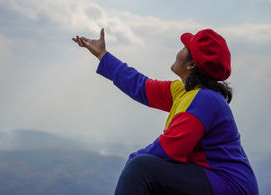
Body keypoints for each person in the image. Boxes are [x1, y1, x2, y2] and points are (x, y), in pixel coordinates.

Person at [72, 28, 259, 195]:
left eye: (185, 48)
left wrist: (132, 163)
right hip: (213, 179)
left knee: (141, 168)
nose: (178, 51)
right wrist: (102, 54)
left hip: (229, 186)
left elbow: (169, 150)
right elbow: (140, 85)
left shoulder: (204, 101)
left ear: (191, 65)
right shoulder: (185, 92)